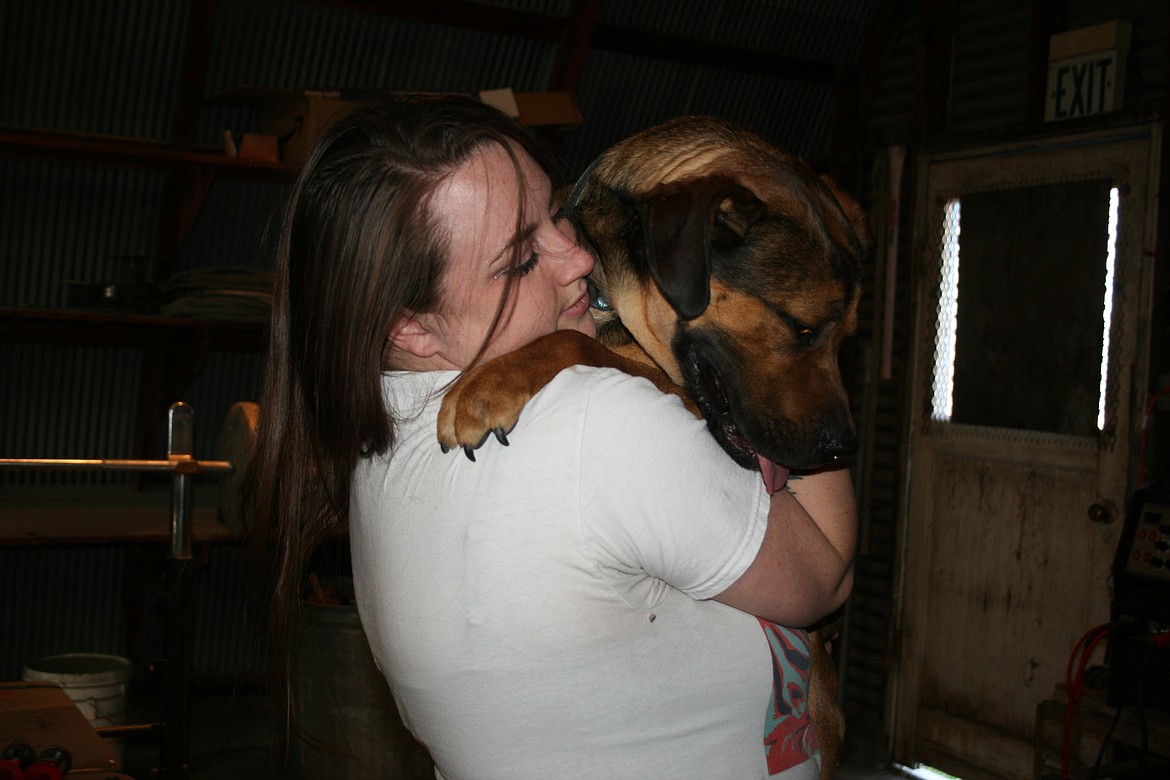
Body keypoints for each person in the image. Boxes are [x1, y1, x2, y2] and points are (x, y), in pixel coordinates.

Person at [245, 93, 856, 780]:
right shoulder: (596, 424)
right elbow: (824, 578)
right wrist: (795, 390)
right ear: (409, 326)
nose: (576, 259)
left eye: (558, 214)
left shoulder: (382, 442)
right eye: (519, 260)